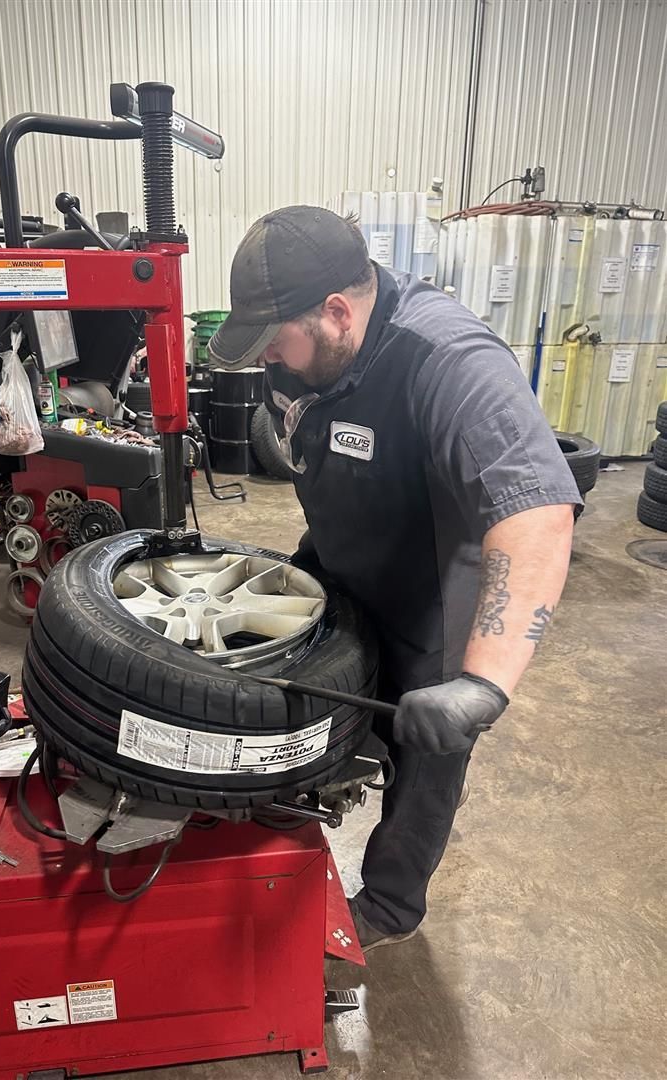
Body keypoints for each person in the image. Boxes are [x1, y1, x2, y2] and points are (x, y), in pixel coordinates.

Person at [208, 206, 581, 952]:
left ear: (339, 313)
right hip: (343, 553)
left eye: (276, 343)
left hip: (428, 594)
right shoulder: (310, 351)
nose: (268, 362)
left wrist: (484, 685)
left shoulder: (447, 358)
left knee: (427, 756)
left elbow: (537, 511)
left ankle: (387, 905)